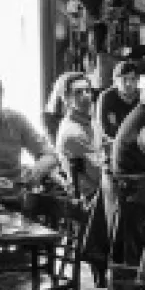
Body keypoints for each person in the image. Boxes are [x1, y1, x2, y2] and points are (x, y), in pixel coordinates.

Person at [53, 72, 102, 200]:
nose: (85, 96)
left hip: (102, 191)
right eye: (78, 92)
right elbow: (99, 173)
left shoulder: (90, 121)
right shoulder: (73, 133)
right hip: (92, 199)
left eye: (87, 91)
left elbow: (105, 144)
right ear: (66, 99)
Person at [96, 60, 141, 145]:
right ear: (115, 80)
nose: (128, 83)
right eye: (124, 79)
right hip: (113, 145)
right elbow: (106, 130)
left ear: (138, 80)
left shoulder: (142, 97)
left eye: (132, 79)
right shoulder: (107, 97)